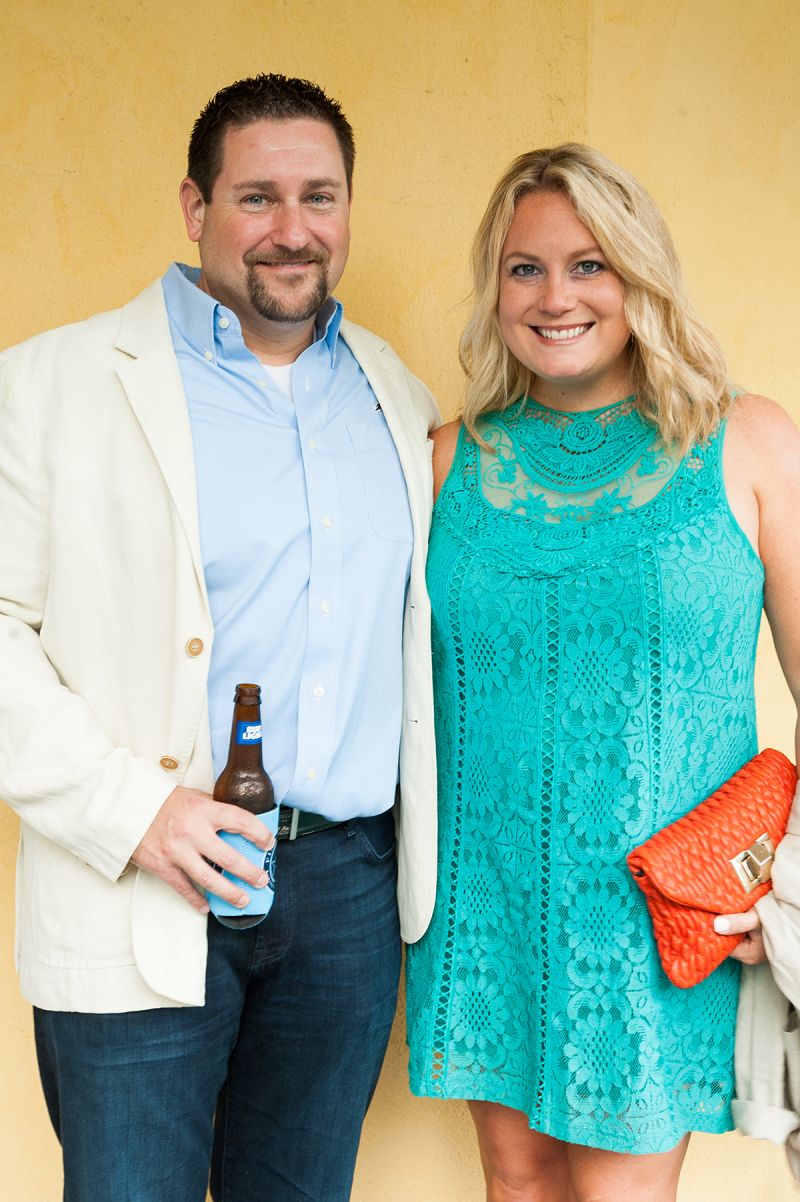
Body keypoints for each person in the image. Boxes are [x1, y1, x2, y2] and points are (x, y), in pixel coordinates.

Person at [0, 73, 439, 1202]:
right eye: (257, 197)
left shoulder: (393, 394)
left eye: (319, 196)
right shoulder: (47, 386)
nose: (293, 229)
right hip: (142, 875)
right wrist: (135, 813)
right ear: (195, 207)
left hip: (344, 895)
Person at [405, 142, 800, 1202]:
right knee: (515, 1182)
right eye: (524, 268)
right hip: (482, 906)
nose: (555, 296)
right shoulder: (442, 460)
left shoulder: (746, 442)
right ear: (495, 289)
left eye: (590, 264)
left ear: (640, 274)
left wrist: (786, 890)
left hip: (657, 912)